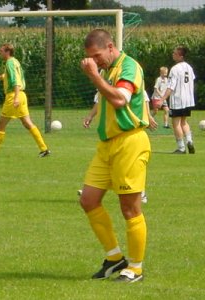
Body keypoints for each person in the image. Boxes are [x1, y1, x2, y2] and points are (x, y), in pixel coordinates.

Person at [79, 29, 151, 283]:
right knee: (88, 200)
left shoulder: (128, 66)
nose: (95, 60)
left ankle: (136, 268)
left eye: (97, 55)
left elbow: (121, 99)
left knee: (129, 208)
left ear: (110, 46)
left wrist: (94, 77)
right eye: (90, 57)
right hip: (107, 145)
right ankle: (114, 258)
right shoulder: (108, 70)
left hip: (129, 143)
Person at [0, 43, 50, 158]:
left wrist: (15, 98)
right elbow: (6, 77)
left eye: (1, 51)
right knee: (27, 123)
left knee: (1, 125)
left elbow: (16, 81)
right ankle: (44, 149)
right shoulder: (15, 61)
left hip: (14, 96)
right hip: (22, 95)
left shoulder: (9, 63)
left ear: (7, 52)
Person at [160, 46, 196, 154]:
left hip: (178, 99)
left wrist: (162, 99)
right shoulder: (189, 67)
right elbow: (192, 80)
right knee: (184, 122)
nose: (173, 54)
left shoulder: (175, 69)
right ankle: (189, 141)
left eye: (175, 53)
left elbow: (171, 86)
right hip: (188, 100)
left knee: (176, 123)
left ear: (181, 56)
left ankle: (181, 148)